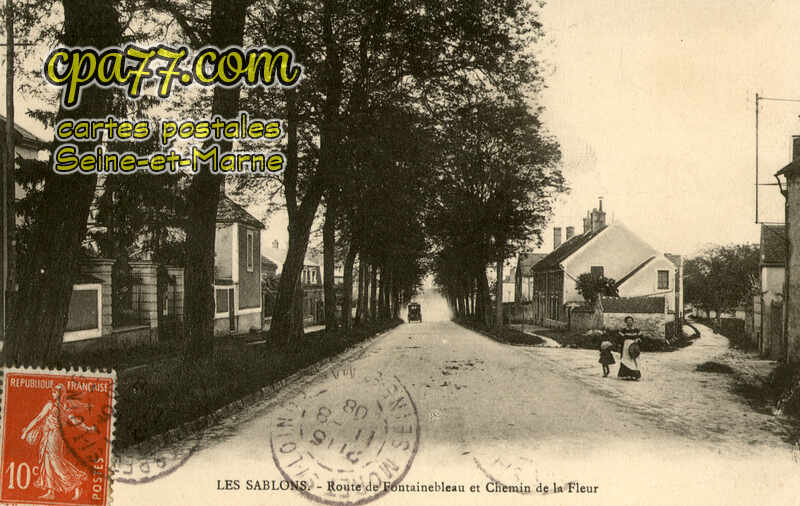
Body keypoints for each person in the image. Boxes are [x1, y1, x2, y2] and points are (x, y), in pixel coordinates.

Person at [20, 385, 96, 501]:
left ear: (61, 394)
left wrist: (87, 429)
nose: (53, 394)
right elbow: (39, 418)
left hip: (55, 436)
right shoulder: (51, 405)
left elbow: (75, 422)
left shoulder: (64, 406)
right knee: (47, 462)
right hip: (47, 435)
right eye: (53, 392)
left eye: (55, 392)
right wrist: (26, 431)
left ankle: (76, 485)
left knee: (56, 462)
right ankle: (51, 491)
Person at [618, 316, 642, 380]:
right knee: (626, 360)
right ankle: (626, 375)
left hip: (634, 347)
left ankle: (635, 375)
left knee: (634, 360)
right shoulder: (624, 330)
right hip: (626, 347)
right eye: (628, 321)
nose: (629, 322)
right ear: (626, 322)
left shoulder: (636, 330)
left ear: (633, 321)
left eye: (631, 320)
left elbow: (640, 337)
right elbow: (620, 338)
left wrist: (638, 339)